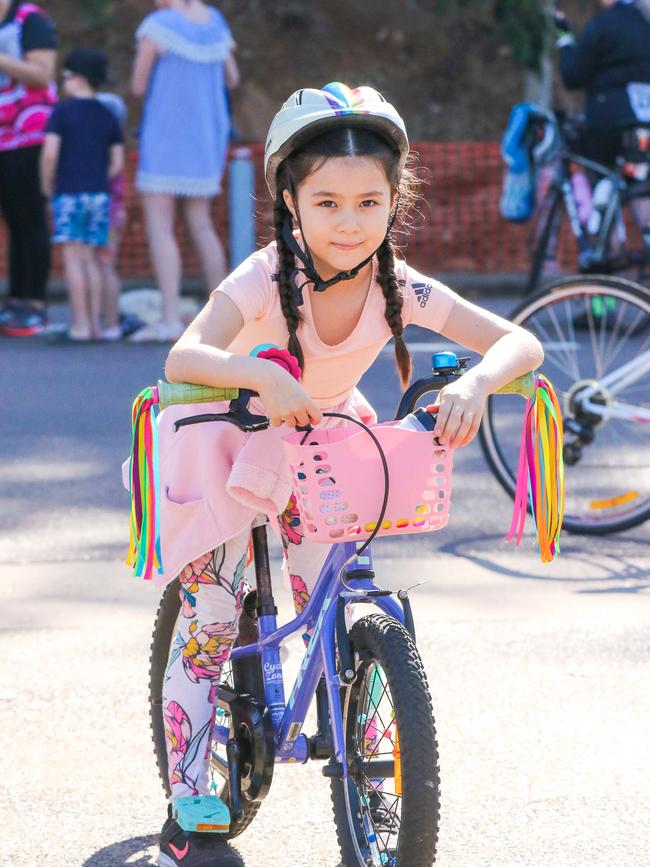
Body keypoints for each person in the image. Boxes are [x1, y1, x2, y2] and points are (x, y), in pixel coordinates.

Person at [133, 82, 544, 867]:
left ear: (395, 202)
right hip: (232, 431)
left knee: (337, 579)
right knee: (213, 615)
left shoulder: (398, 286)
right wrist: (258, 377)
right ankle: (191, 797)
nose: (349, 222)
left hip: (320, 436)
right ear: (291, 202)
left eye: (368, 201)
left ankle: (351, 699)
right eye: (326, 202)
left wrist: (473, 383)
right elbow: (182, 354)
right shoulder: (262, 276)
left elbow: (517, 342)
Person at [130, 0, 240, 343]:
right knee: (202, 223)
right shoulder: (216, 22)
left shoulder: (158, 25)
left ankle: (168, 317)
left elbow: (137, 84)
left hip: (166, 137)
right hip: (206, 139)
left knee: (160, 225)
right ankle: (225, 318)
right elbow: (232, 78)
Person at [39, 49, 124, 342]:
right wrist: (99, 178)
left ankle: (81, 324)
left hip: (69, 192)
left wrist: (47, 184)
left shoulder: (61, 112)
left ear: (76, 78)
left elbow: (50, 153)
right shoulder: (107, 115)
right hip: (100, 195)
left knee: (73, 258)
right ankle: (98, 326)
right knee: (92, 259)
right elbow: (117, 163)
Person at [0, 0, 56, 337]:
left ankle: (32, 303)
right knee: (12, 220)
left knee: (29, 218)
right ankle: (15, 301)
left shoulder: (29, 20)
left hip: (29, 135)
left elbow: (42, 72)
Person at [554, 0, 650, 167]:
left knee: (599, 172)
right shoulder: (644, 25)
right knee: (638, 176)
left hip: (607, 118)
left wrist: (564, 38)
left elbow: (573, 76)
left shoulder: (602, 25)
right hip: (644, 120)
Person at [96, 91, 128, 340]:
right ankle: (103, 319)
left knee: (104, 265)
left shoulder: (105, 148)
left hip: (109, 214)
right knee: (101, 265)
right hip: (112, 213)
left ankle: (109, 321)